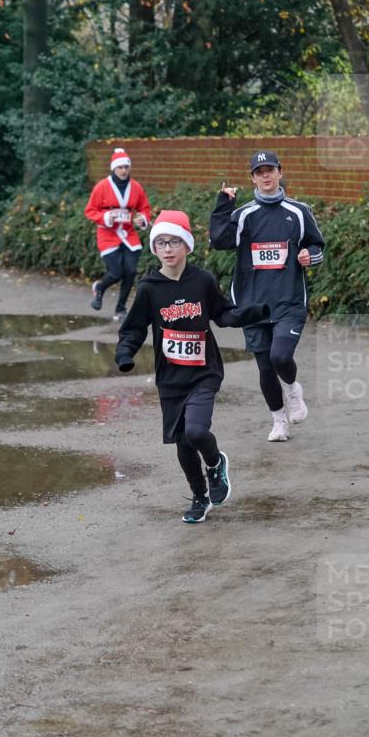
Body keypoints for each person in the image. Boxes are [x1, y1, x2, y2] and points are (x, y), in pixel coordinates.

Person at [115, 210, 269, 524]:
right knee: (183, 442)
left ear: (187, 245)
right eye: (161, 242)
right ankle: (200, 496)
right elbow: (134, 328)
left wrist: (253, 313)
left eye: (174, 241)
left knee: (196, 430)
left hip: (204, 372)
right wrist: (125, 353)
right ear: (154, 248)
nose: (167, 248)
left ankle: (215, 464)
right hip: (170, 378)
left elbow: (222, 313)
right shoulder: (149, 288)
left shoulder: (202, 280)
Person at [209, 149, 325, 441]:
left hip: (289, 299)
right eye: (259, 172)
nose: (265, 176)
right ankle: (279, 421)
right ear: (253, 178)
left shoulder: (299, 211)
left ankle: (292, 389)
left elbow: (317, 246)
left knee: (280, 356)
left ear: (279, 172)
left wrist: (309, 256)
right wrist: (223, 204)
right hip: (252, 303)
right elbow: (219, 241)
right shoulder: (243, 215)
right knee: (264, 366)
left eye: (270, 170)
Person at [84, 147, 152, 321]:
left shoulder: (136, 187)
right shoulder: (102, 187)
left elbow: (144, 208)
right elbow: (90, 211)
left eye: (126, 167)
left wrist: (142, 219)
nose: (123, 171)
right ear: (114, 168)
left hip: (129, 235)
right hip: (107, 235)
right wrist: (106, 217)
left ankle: (120, 309)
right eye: (120, 167)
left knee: (130, 271)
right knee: (116, 273)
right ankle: (99, 288)